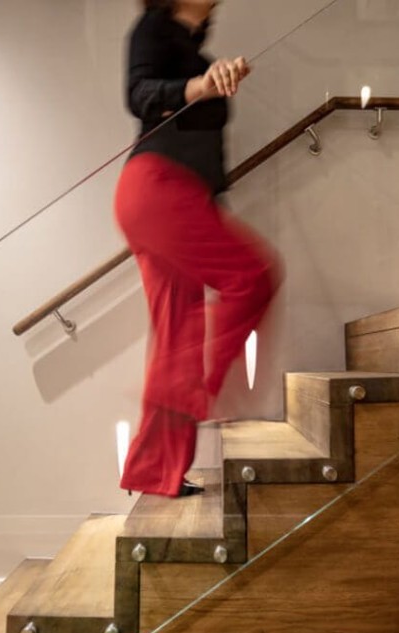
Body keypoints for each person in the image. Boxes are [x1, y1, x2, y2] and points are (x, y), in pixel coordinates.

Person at [114, 0, 281, 498]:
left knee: (177, 330)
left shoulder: (195, 51)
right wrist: (202, 85)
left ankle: (154, 472)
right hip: (157, 186)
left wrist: (210, 76)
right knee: (253, 276)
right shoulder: (152, 29)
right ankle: (189, 388)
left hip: (172, 196)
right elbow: (139, 94)